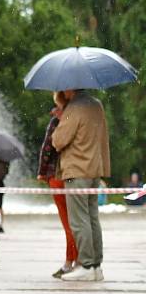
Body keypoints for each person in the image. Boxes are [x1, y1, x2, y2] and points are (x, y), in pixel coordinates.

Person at [51, 89, 110, 282]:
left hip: (77, 170)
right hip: (94, 169)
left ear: (71, 87)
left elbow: (59, 141)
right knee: (93, 218)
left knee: (78, 220)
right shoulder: (96, 105)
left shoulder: (74, 108)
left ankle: (86, 265)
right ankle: (96, 265)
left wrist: (61, 119)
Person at [37, 91, 78, 277]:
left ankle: (70, 261)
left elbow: (47, 147)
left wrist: (41, 172)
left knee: (67, 222)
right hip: (77, 174)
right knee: (78, 221)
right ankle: (78, 259)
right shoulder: (78, 118)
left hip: (58, 175)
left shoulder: (57, 121)